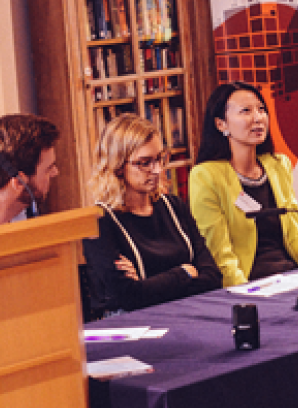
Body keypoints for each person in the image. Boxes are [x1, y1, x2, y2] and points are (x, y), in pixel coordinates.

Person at [190, 82, 298, 286]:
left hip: (289, 277)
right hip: (249, 285)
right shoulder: (206, 176)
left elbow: (297, 249)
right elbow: (220, 257)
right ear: (221, 124)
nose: (257, 118)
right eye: (245, 111)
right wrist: (249, 295)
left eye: (261, 109)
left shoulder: (278, 165)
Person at [83, 114, 222, 313]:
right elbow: (129, 297)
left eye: (160, 159)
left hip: (190, 312)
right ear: (119, 166)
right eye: (144, 163)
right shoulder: (100, 222)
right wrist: (184, 273)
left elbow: (212, 277)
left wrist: (149, 284)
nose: (157, 170)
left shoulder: (173, 206)